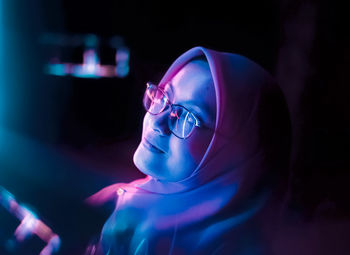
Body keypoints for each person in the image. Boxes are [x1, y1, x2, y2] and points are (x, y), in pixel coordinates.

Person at [86, 46, 291, 255]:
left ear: (236, 154)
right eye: (163, 96)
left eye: (188, 116)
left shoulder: (229, 246)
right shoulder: (118, 200)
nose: (158, 121)